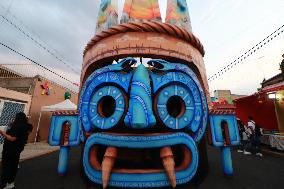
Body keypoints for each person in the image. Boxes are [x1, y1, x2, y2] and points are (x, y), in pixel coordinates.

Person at [0, 112, 33, 189]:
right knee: (13, 165)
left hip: (10, 149)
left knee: (6, 166)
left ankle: (4, 184)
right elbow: (27, 131)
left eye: (15, 117)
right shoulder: (27, 126)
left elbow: (12, 138)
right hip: (18, 148)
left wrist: (2, 133)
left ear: (18, 118)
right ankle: (10, 182)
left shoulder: (18, 127)